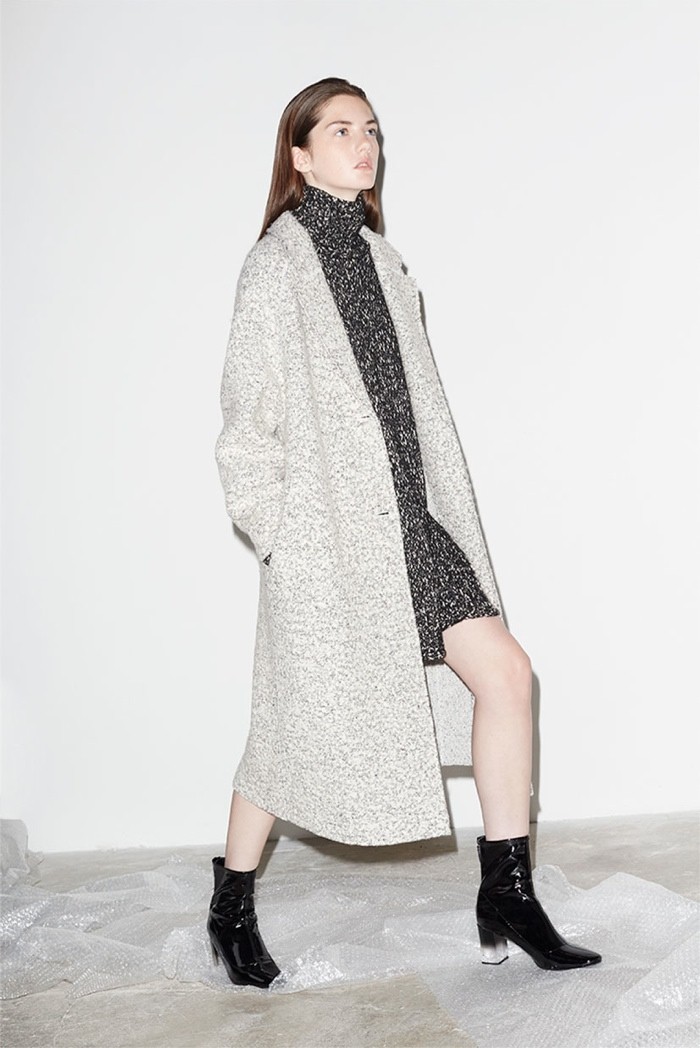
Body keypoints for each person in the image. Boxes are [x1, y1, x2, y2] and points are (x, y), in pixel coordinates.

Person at [209, 77, 602, 988]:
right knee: (291, 725)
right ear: (299, 155)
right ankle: (230, 906)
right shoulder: (275, 267)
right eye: (341, 131)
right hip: (330, 538)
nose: (364, 145)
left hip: (410, 525)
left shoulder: (385, 263)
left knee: (507, 675)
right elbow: (244, 425)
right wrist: (281, 537)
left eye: (372, 130)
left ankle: (507, 892)